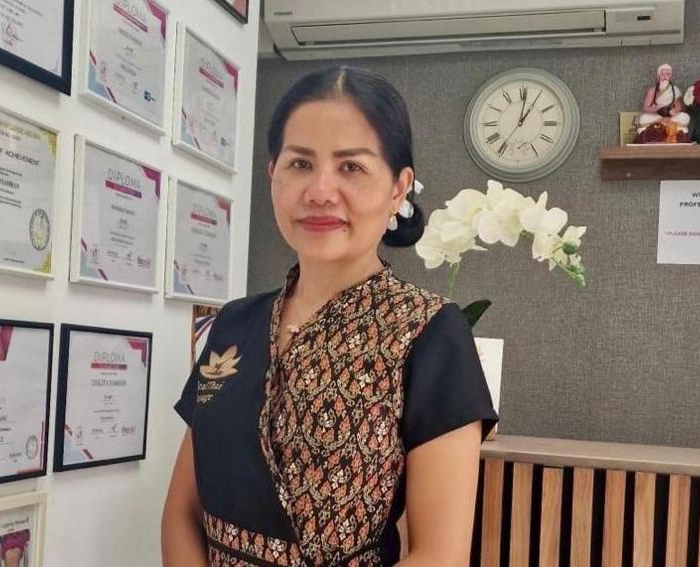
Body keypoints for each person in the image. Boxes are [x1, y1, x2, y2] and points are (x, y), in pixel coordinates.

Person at [161, 66, 498, 566]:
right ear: (272, 171)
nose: (320, 190)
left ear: (398, 188)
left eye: (351, 167)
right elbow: (182, 511)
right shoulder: (232, 325)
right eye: (300, 164)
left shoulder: (430, 333)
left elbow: (438, 555)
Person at [638, 63, 690, 132]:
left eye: (668, 74)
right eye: (663, 74)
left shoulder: (675, 89)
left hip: (671, 116)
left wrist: (674, 111)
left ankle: (666, 124)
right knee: (643, 118)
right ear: (658, 75)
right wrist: (656, 109)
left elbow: (678, 106)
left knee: (684, 117)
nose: (665, 76)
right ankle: (661, 124)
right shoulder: (652, 90)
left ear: (670, 76)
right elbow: (646, 107)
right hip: (657, 116)